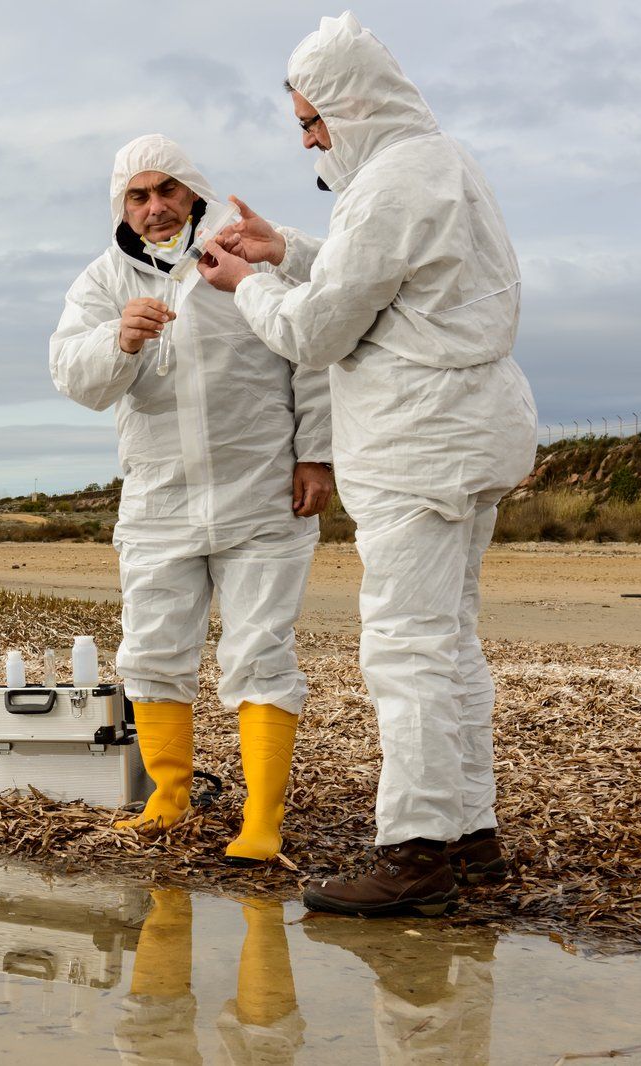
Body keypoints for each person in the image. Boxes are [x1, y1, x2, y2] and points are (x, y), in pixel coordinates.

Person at [198, 12, 537, 915]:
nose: (310, 139)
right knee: (450, 639)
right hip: (469, 428)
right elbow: (385, 276)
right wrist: (287, 251)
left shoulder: (390, 183)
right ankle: (471, 840)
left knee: (407, 645)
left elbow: (315, 330)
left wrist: (248, 285)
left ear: (352, 106)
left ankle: (416, 850)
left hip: (419, 440)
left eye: (313, 121)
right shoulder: (438, 161)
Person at [49, 134, 334, 864]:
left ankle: (261, 818)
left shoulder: (235, 260)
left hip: (262, 494)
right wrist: (120, 340)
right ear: (123, 207)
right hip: (159, 500)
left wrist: (317, 455)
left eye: (166, 191)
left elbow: (307, 354)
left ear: (194, 192)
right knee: (151, 648)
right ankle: (167, 797)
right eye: (138, 197)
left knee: (262, 652)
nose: (154, 208)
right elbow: (71, 377)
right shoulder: (103, 280)